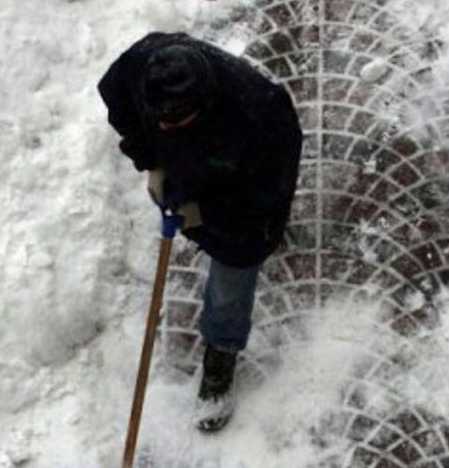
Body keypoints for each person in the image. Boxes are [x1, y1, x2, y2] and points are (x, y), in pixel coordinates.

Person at [97, 32, 303, 432]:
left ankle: (221, 356)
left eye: (175, 121)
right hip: (192, 176)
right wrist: (151, 159)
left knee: (230, 286)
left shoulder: (262, 117)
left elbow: (263, 202)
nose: (164, 125)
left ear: (204, 104)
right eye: (159, 120)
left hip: (243, 212)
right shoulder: (144, 64)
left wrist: (204, 212)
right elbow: (118, 100)